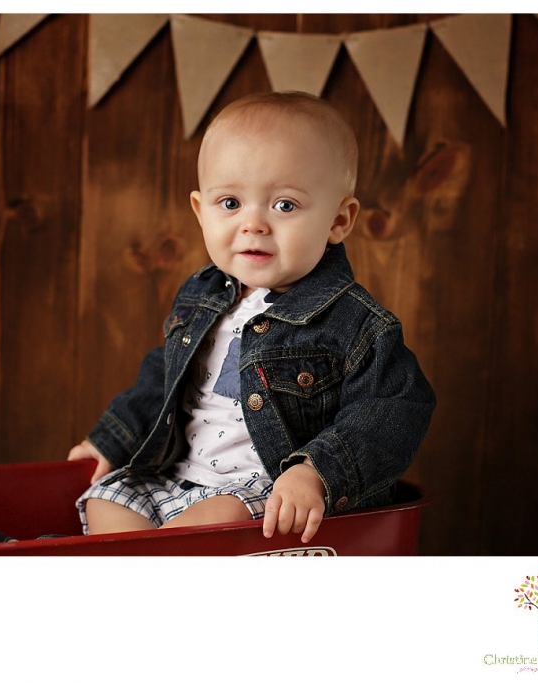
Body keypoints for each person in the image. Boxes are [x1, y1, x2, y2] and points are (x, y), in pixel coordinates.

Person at [65, 91, 436, 545]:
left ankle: (140, 571)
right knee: (107, 496)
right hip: (178, 477)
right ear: (201, 212)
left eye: (284, 205)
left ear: (339, 220)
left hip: (264, 493)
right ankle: (124, 572)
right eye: (230, 204)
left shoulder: (354, 325)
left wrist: (315, 472)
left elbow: (393, 410)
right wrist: (112, 439)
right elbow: (162, 378)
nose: (254, 224)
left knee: (206, 524)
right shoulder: (201, 297)